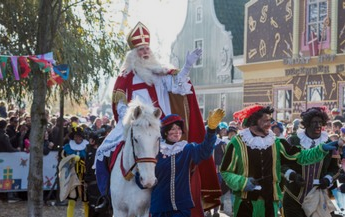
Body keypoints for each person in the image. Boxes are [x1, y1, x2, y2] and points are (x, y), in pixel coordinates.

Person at [95, 21, 221, 215]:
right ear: (132, 54)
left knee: (178, 154)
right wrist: (127, 118)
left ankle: (180, 195)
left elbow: (178, 85)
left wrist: (187, 66)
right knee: (103, 152)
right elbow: (120, 103)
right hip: (132, 121)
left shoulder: (159, 72)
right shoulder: (125, 76)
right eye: (140, 49)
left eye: (146, 48)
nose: (144, 52)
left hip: (158, 123)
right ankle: (105, 194)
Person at [220, 105, 339, 217]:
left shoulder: (276, 142)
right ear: (253, 122)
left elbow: (301, 156)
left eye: (270, 120)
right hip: (245, 202)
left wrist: (321, 149)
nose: (269, 124)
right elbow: (225, 171)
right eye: (265, 120)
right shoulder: (237, 143)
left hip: (270, 201)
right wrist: (242, 182)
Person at [150, 109, 225, 217]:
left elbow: (205, 151)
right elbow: (144, 179)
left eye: (179, 128)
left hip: (181, 207)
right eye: (173, 129)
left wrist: (211, 131)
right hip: (159, 207)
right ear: (165, 132)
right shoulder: (155, 151)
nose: (177, 131)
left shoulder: (187, 149)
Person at [282, 107, 341, 217]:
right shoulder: (293, 140)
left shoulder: (328, 142)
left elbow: (335, 168)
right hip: (294, 196)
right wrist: (292, 175)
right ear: (307, 124)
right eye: (314, 122)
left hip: (318, 197)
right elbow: (282, 163)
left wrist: (328, 179)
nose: (318, 125)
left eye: (320, 122)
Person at [60, 126, 89, 217]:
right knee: (72, 199)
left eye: (80, 136)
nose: (78, 138)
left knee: (86, 200)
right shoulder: (68, 147)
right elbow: (63, 159)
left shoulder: (87, 147)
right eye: (76, 136)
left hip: (84, 176)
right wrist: (71, 158)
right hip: (72, 176)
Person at [85, 133, 112, 217]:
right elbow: (87, 166)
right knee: (93, 205)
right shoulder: (88, 151)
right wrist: (85, 180)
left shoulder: (106, 153)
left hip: (104, 182)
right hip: (92, 182)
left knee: (105, 207)